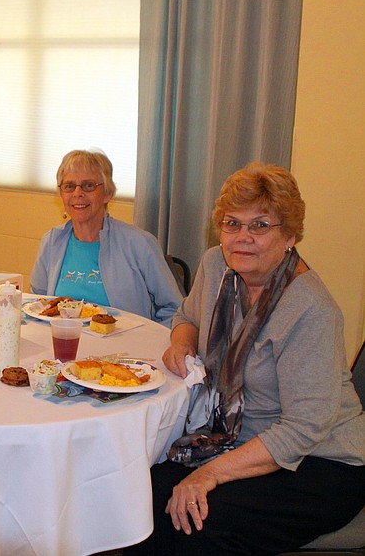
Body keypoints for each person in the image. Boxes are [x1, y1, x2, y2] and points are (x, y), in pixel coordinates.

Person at [126, 163, 365, 555]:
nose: (242, 238)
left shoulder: (310, 310)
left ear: (289, 235)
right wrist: (183, 344)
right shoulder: (216, 265)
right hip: (232, 436)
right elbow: (186, 317)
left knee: (198, 523)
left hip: (319, 461)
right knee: (141, 493)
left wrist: (208, 475)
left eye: (260, 226)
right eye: (232, 223)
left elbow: (302, 429)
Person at [30, 149, 182, 325]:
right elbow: (39, 305)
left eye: (88, 185)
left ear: (107, 194)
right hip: (65, 344)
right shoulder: (51, 242)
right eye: (69, 186)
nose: (77, 193)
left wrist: (148, 342)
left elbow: (175, 310)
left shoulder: (140, 244)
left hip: (125, 348)